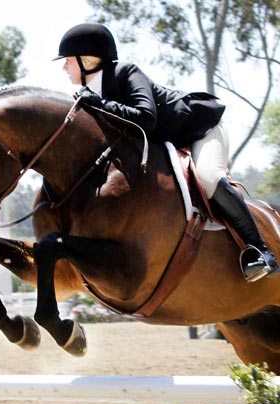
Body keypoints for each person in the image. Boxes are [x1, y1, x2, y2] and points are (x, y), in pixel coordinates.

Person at [53, 22, 280, 282]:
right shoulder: (89, 94)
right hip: (167, 144)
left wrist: (102, 104)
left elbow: (146, 118)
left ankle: (260, 251)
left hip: (200, 130)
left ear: (87, 60)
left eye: (67, 60)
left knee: (207, 177)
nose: (63, 67)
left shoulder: (125, 73)